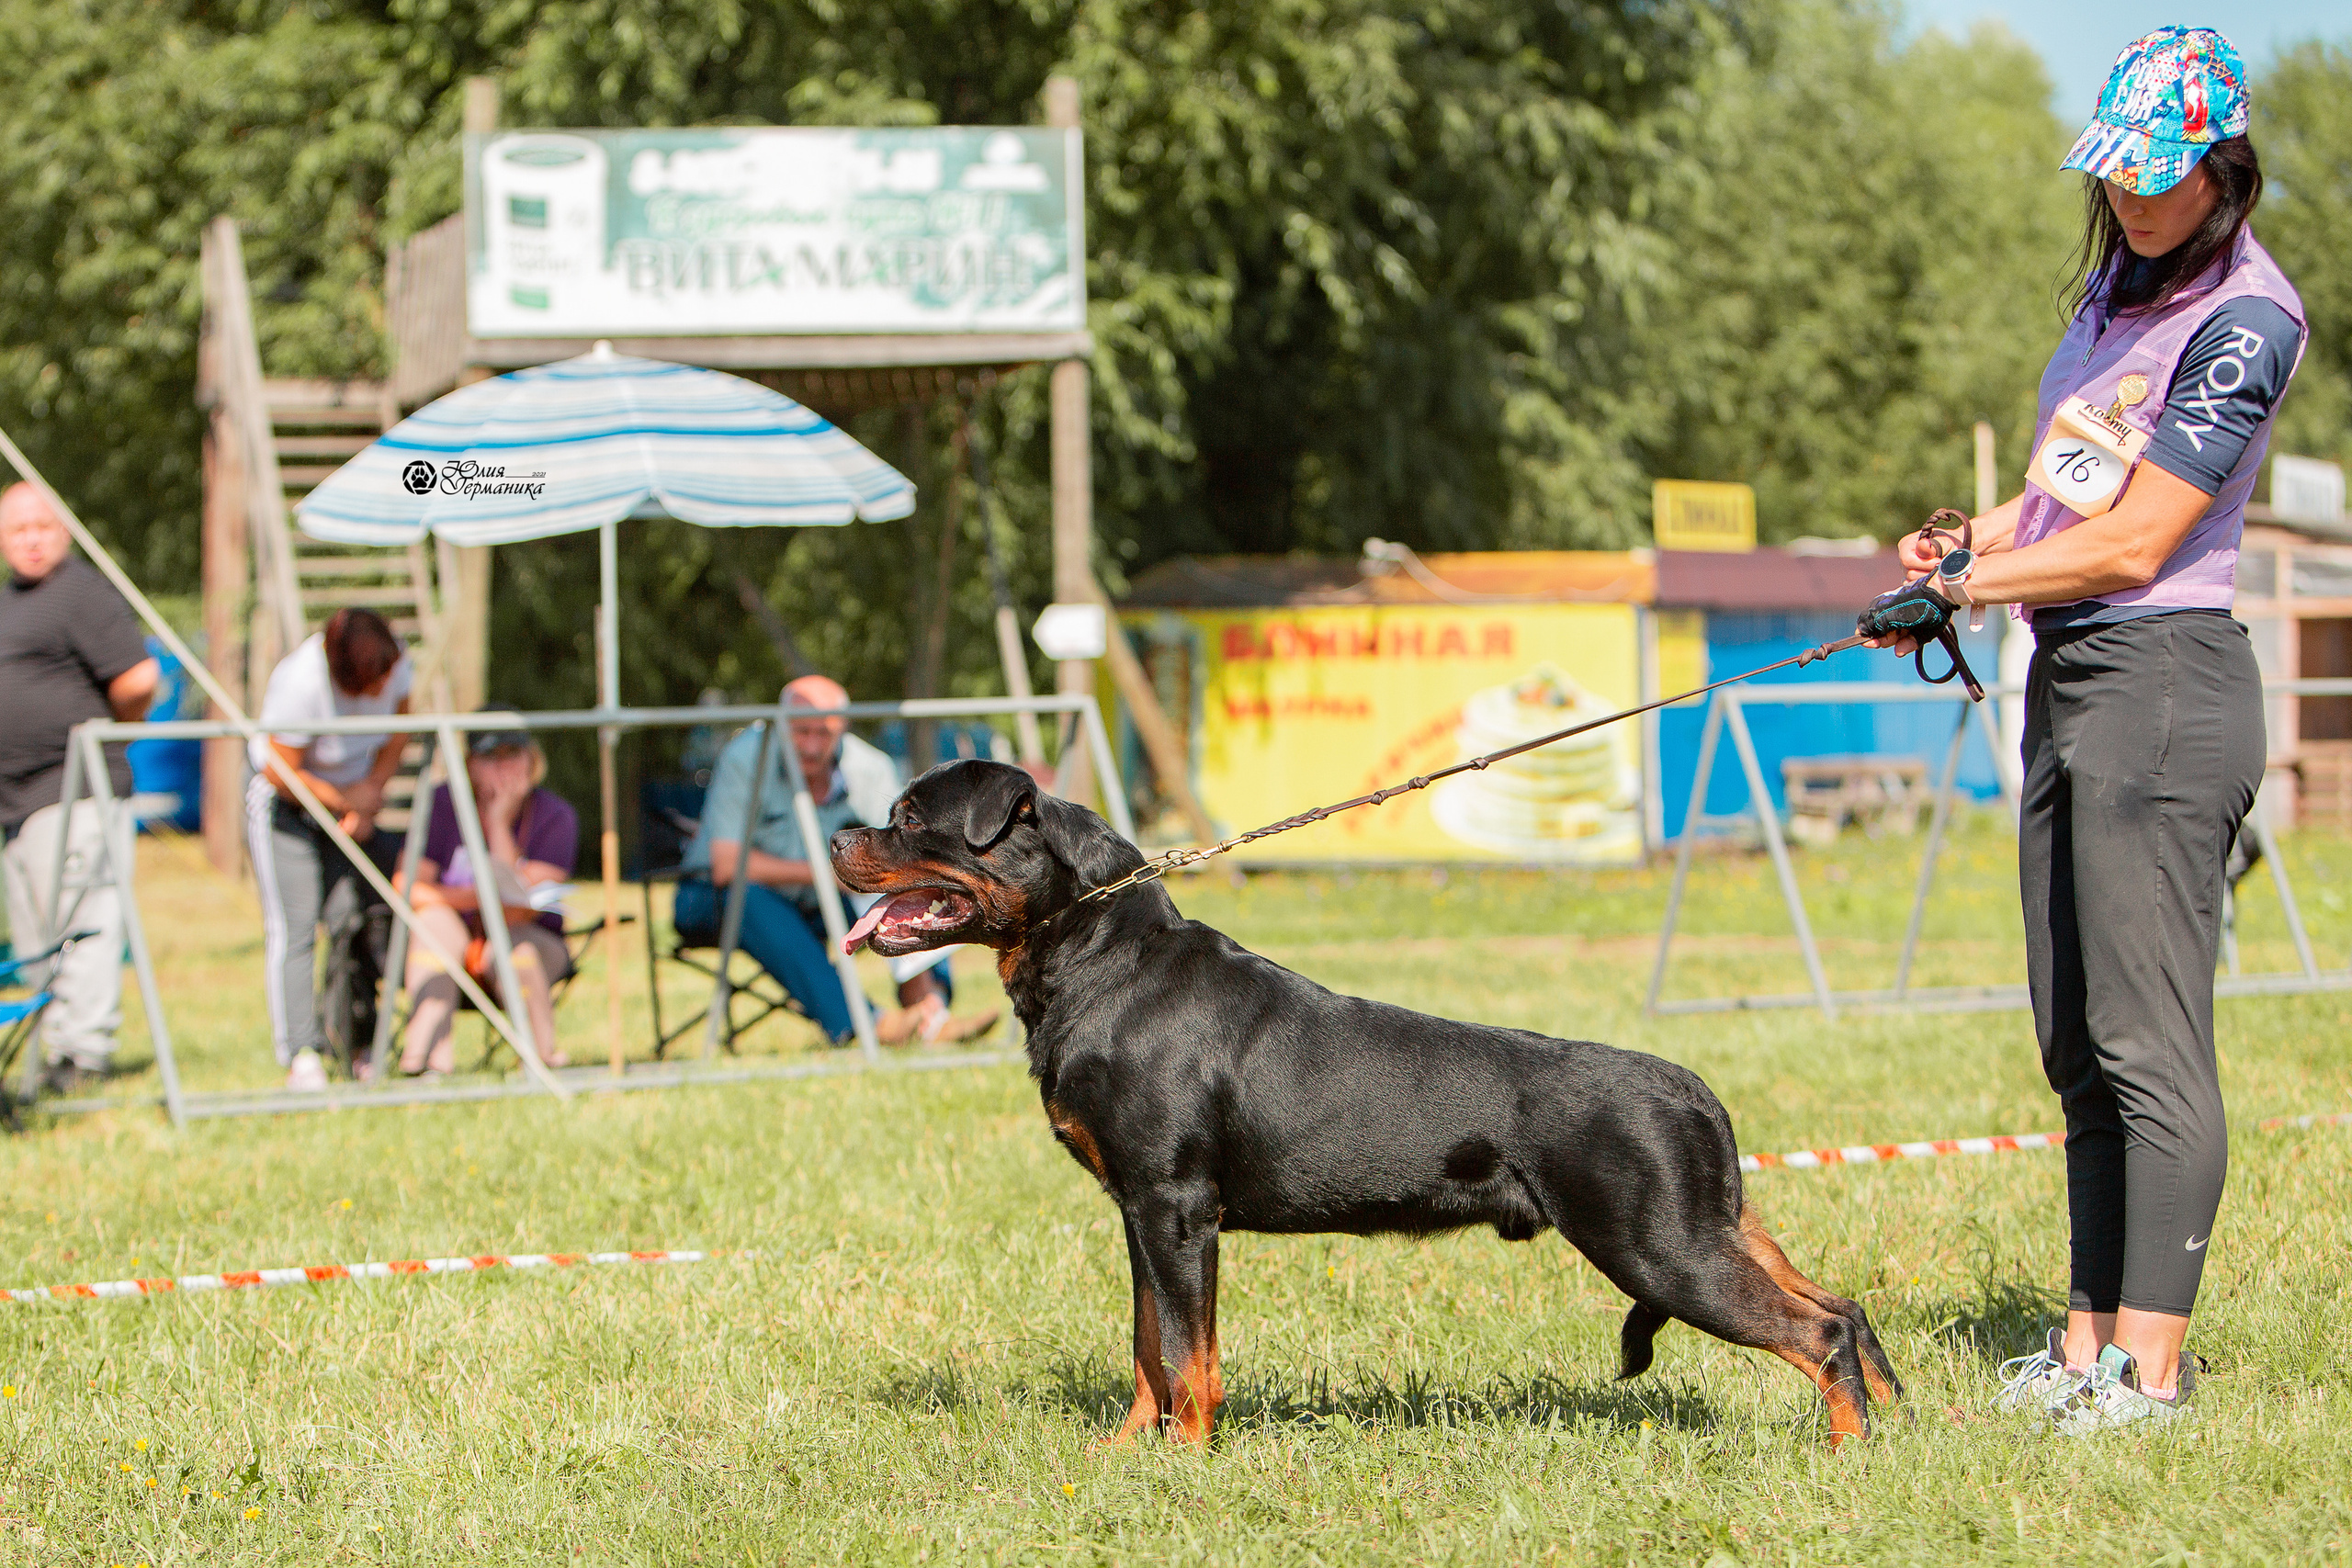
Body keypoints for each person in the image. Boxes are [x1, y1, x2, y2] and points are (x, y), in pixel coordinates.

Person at [1866, 28, 2297, 1432]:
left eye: (2157, 179)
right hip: (2073, 682)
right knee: (2079, 1039)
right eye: (2113, 175)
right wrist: (1962, 547)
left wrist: (1972, 585)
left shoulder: (2247, 318)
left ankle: (2152, 1377)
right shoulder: (2119, 290)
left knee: (2152, 1040)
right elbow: (2067, 497)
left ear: (2224, 169)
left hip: (2165, 682)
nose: (2129, 198)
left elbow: (2141, 538)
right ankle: (2082, 1347)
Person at [673, 674, 998, 1046]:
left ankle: (931, 1014)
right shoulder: (745, 757)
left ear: (842, 728)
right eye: (801, 731)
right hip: (711, 898)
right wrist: (828, 876)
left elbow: (904, 857)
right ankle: (866, 1023)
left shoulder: (869, 767)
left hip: (815, 906)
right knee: (750, 898)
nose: (812, 746)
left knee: (909, 879)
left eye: (824, 733)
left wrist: (876, 879)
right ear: (780, 724)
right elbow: (726, 865)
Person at [0, 482, 158, 1095]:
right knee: (37, 931)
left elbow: (138, 677)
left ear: (63, 530)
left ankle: (84, 1055)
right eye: (19, 528)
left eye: (43, 525)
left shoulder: (82, 592)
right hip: (17, 801)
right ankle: (48, 1045)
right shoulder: (13, 600)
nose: (32, 538)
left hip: (77, 789)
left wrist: (107, 730)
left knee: (86, 918)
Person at [248, 607, 413, 1090]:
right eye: (369, 683)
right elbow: (280, 769)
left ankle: (358, 1042)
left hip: (354, 805)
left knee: (354, 918)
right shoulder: (300, 682)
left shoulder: (398, 663)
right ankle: (301, 1052)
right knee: (297, 925)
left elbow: (401, 725)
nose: (380, 690)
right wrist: (343, 802)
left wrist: (372, 793)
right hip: (289, 806)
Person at [398, 728, 579, 1077]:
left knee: (516, 951)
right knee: (434, 925)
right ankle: (423, 1065)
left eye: (513, 753)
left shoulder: (555, 816)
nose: (503, 766)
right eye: (490, 756)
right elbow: (406, 887)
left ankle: (540, 1060)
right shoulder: (441, 803)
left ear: (533, 758)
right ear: (469, 764)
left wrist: (498, 820)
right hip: (455, 936)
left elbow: (516, 909)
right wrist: (475, 898)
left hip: (527, 941)